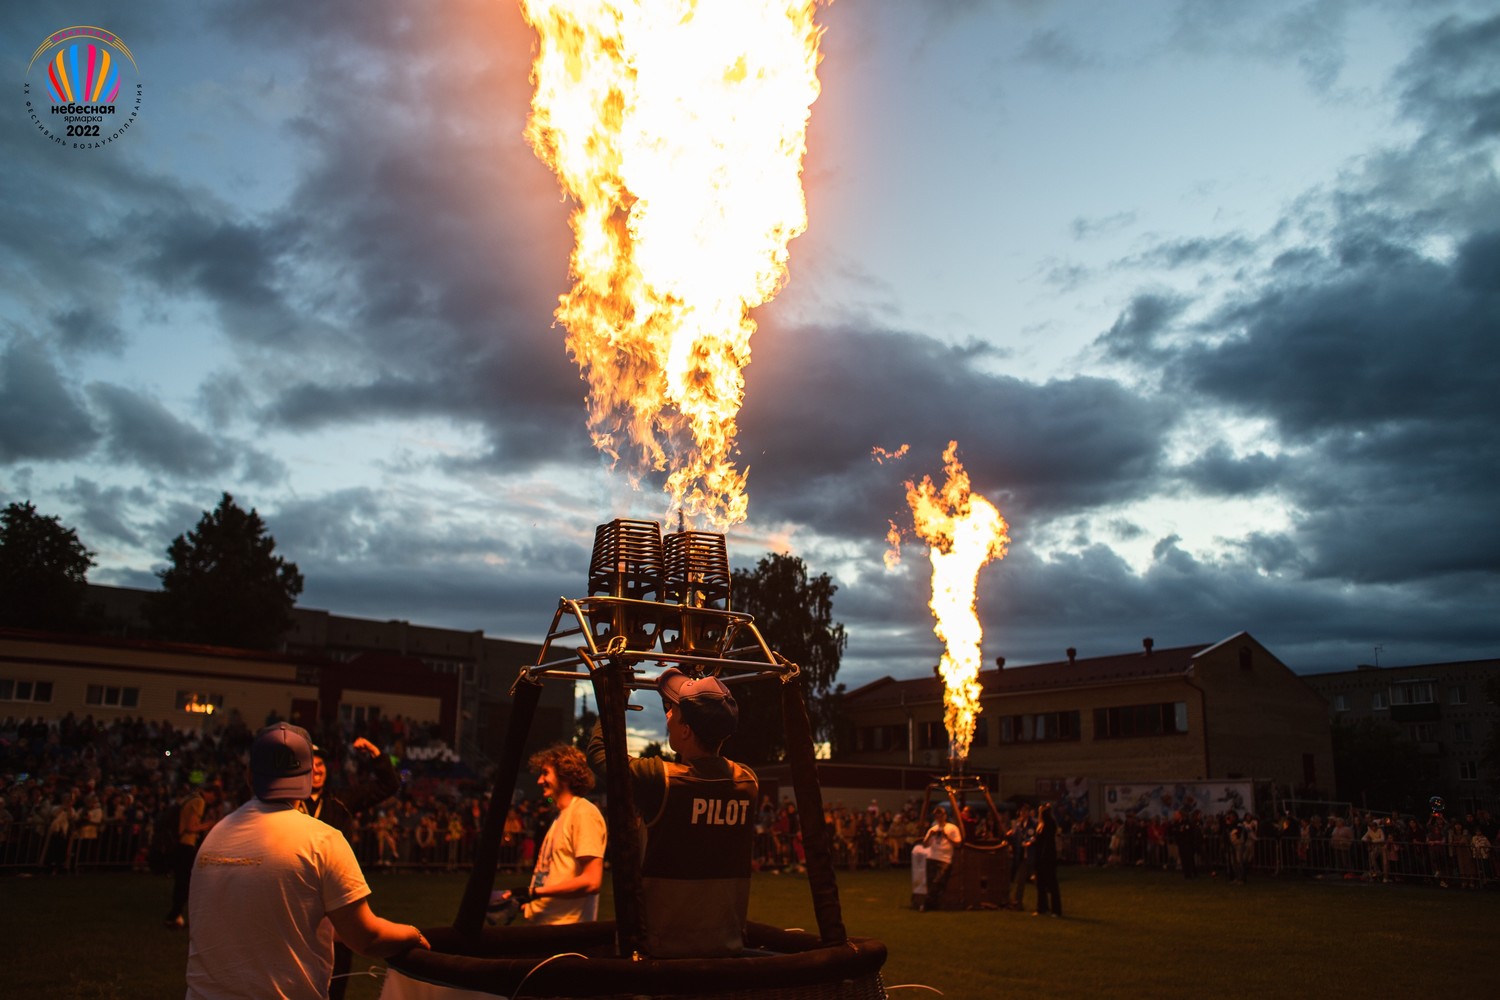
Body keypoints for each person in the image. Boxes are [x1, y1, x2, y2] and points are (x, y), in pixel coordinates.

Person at [185, 723, 427, 1000]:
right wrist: (413, 935)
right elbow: (367, 938)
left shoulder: (214, 836)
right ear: (306, 776)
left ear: (250, 776)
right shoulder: (322, 840)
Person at [587, 667, 758, 958]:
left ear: (686, 729)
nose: (666, 715)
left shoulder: (662, 779)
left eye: (673, 711)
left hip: (660, 948)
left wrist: (614, 699)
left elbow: (601, 754)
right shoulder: (746, 781)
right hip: (725, 945)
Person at [301, 736, 402, 1000]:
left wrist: (376, 754)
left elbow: (389, 785)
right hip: (299, 893)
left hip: (335, 895)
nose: (317, 770)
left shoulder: (340, 800)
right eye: (310, 765)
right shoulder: (287, 804)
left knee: (338, 964)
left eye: (321, 764)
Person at [489, 744, 607, 925]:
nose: (539, 780)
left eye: (545, 773)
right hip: (547, 928)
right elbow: (555, 877)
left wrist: (532, 892)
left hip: (566, 933)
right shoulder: (562, 816)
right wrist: (523, 903)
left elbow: (591, 881)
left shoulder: (583, 812)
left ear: (565, 775)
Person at [164, 781, 220, 929]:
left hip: (179, 843)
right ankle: (174, 915)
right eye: (214, 798)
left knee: (181, 881)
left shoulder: (190, 798)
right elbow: (191, 827)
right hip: (186, 844)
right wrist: (209, 825)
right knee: (185, 881)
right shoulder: (199, 802)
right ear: (211, 794)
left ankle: (176, 914)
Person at [919, 805, 962, 911]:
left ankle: (926, 904)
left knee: (937, 882)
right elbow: (924, 845)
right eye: (937, 815)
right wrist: (930, 836)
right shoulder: (933, 829)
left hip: (944, 859)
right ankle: (933, 905)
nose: (939, 817)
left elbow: (958, 844)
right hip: (932, 857)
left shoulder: (952, 828)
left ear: (945, 816)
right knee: (931, 882)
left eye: (940, 815)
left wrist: (947, 837)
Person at [1031, 802, 1062, 917]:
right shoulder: (1040, 825)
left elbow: (1047, 843)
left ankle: (1056, 910)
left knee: (1052, 884)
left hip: (1048, 858)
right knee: (1040, 884)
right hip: (1041, 857)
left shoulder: (1049, 824)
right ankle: (1042, 907)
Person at [1005, 803, 1035, 910]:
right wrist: (1008, 837)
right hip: (1021, 856)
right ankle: (1017, 903)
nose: (1023, 813)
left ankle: (1018, 902)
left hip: (1030, 855)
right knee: (1020, 880)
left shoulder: (1033, 824)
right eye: (1021, 811)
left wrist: (1029, 842)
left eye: (1025, 811)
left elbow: (1034, 836)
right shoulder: (1018, 825)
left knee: (1022, 880)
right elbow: (1015, 839)